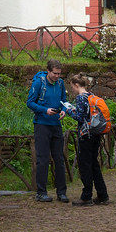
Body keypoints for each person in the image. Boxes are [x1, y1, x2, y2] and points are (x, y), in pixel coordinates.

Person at [61, 74, 109, 207]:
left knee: (85, 165)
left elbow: (80, 117)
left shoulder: (81, 98)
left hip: (85, 135)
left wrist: (69, 110)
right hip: (95, 133)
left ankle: (86, 196)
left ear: (76, 85)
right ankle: (102, 195)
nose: (72, 90)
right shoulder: (91, 96)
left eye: (72, 87)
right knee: (94, 164)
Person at [27, 59, 69, 203]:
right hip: (42, 124)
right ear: (48, 71)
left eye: (59, 74)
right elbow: (30, 102)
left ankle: (61, 192)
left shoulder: (61, 83)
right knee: (43, 159)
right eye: (55, 73)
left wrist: (63, 110)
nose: (57, 76)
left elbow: (64, 99)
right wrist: (45, 110)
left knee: (59, 159)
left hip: (56, 124)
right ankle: (41, 192)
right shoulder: (39, 82)